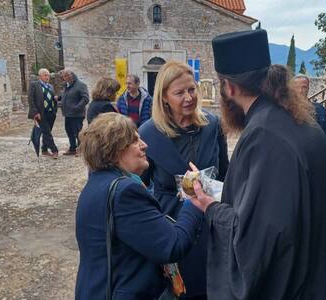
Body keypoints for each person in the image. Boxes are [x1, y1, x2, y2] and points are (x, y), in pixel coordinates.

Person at [188, 29, 326, 299]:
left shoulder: (262, 136)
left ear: (229, 87)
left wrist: (210, 206)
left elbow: (256, 245)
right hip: (319, 278)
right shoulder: (301, 122)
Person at [75, 112, 203, 300]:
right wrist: (194, 199)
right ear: (114, 149)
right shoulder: (125, 192)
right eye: (135, 141)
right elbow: (172, 246)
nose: (144, 145)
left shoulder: (97, 183)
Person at [139, 60, 229, 299]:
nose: (189, 97)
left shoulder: (212, 125)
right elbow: (139, 185)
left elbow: (226, 174)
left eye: (192, 89)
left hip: (210, 225)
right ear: (164, 97)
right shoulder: (149, 133)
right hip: (171, 226)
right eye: (180, 92)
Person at [27, 68, 58, 159]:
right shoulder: (34, 85)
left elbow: (51, 98)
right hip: (41, 113)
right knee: (47, 132)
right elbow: (30, 99)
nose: (47, 77)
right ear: (40, 76)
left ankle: (44, 149)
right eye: (45, 75)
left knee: (47, 132)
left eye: (48, 75)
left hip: (51, 113)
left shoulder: (50, 86)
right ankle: (54, 150)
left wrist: (55, 101)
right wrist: (35, 112)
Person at [293, 74, 326, 141]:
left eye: (304, 87)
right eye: (296, 87)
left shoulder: (320, 110)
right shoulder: (287, 110)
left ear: (308, 89)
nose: (300, 91)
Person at [60, 69, 89, 155]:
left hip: (77, 114)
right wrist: (59, 98)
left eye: (67, 76)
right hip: (67, 114)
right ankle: (72, 148)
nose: (65, 78)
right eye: (64, 76)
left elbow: (85, 98)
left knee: (78, 132)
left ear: (72, 76)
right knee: (69, 131)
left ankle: (81, 149)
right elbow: (67, 95)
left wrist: (76, 107)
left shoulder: (81, 85)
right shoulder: (67, 85)